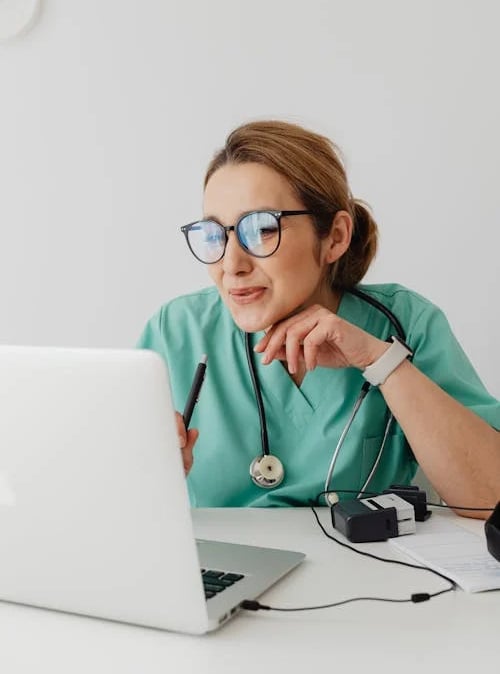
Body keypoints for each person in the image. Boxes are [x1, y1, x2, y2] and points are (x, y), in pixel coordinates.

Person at [137, 120, 500, 519]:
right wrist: (146, 479)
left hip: (367, 572)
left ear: (335, 237)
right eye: (213, 234)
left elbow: (492, 497)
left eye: (260, 229)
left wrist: (382, 364)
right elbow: (108, 508)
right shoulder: (177, 331)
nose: (231, 264)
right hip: (226, 570)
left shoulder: (404, 324)